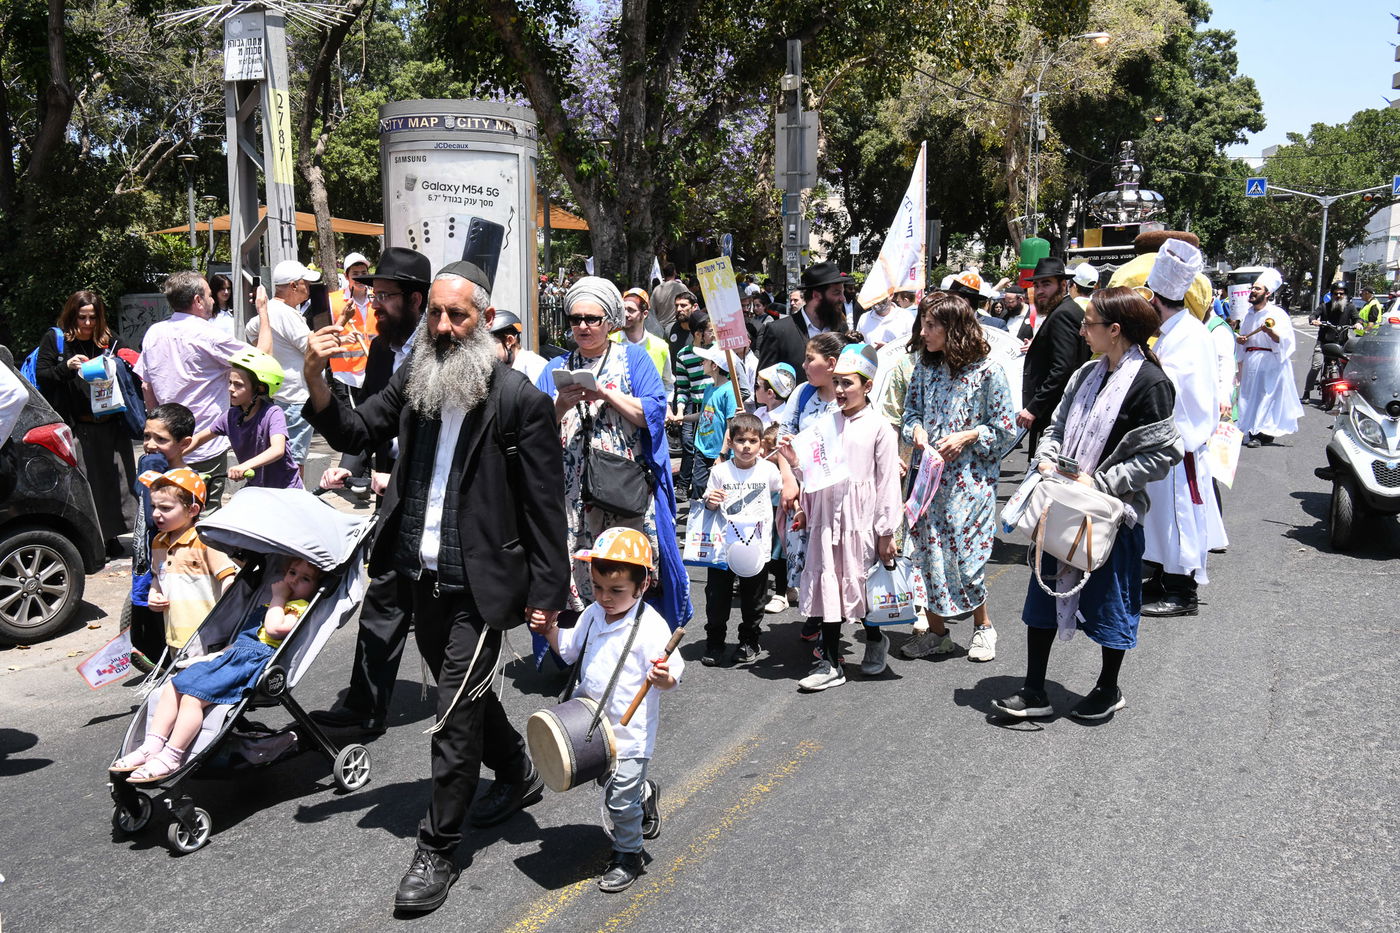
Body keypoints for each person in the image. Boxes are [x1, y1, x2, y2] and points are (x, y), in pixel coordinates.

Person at [303, 260, 571, 914]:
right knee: (466, 694)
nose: (445, 326)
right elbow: (357, 429)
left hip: (479, 586)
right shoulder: (416, 381)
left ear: (485, 323)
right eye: (436, 314)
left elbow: (544, 509)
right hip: (419, 576)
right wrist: (313, 377)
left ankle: (438, 847)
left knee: (451, 715)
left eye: (460, 315)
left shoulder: (518, 402)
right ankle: (515, 769)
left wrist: (547, 594)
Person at [994, 287, 1182, 721]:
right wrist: (1046, 458)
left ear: (1115, 331)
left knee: (1110, 601)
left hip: (1109, 514)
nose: (1083, 329)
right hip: (1061, 505)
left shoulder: (1152, 383)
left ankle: (1108, 687)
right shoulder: (1085, 374)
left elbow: (1163, 452)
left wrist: (1102, 482)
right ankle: (1034, 689)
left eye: (1089, 322)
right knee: (1041, 594)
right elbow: (1056, 426)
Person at [311, 247, 430, 736]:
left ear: (416, 300)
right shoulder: (382, 349)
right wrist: (349, 465)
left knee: (446, 634)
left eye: (385, 296)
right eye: (372, 293)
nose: (373, 304)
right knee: (384, 598)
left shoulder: (443, 353)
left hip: (439, 507)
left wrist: (401, 470)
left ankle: (506, 757)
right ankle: (364, 707)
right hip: (396, 499)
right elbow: (372, 422)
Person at [529, 528, 682, 893]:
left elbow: (673, 672)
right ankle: (644, 795)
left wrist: (663, 678)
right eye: (597, 587)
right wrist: (550, 630)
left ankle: (628, 854)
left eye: (616, 591)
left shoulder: (651, 626)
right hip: (593, 726)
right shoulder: (594, 614)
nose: (604, 598)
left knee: (616, 798)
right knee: (610, 781)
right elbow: (567, 651)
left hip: (631, 734)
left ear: (641, 586)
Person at [537, 277, 690, 633]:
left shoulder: (633, 358)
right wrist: (561, 405)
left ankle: (630, 641)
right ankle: (580, 648)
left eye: (591, 318)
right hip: (572, 490)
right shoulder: (554, 367)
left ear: (609, 322)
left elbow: (652, 413)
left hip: (623, 483)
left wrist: (607, 395)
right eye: (575, 319)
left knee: (625, 563)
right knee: (578, 565)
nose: (583, 326)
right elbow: (535, 426)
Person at [111, 558, 321, 782]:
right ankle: (152, 744)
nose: (294, 580)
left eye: (305, 579)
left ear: (316, 588)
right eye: (292, 572)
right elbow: (243, 639)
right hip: (233, 657)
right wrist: (217, 655)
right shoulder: (272, 605)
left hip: (250, 665)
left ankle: (172, 755)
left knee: (193, 698)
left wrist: (278, 597)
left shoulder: (298, 607)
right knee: (174, 685)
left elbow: (275, 629)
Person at [899, 292, 1017, 661]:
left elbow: (1005, 429)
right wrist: (916, 432)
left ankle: (983, 627)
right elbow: (910, 414)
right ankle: (936, 632)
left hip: (970, 483)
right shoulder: (924, 367)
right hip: (929, 481)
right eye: (923, 323)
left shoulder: (988, 371)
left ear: (954, 328)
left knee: (967, 559)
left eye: (932, 325)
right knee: (927, 555)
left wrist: (968, 435)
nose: (924, 331)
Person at [778, 343, 902, 691]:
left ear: (867, 386)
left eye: (848, 383)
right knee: (829, 583)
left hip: (860, 519)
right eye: (837, 383)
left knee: (861, 584)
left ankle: (875, 639)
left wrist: (886, 531)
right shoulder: (824, 424)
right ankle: (830, 662)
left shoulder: (880, 428)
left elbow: (887, 481)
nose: (841, 390)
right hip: (825, 519)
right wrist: (796, 462)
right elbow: (813, 471)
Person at [1139, 240, 1227, 617]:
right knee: (1161, 520)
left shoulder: (1189, 335)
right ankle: (1161, 578)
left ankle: (1181, 592)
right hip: (1167, 442)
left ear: (1157, 301)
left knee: (1179, 518)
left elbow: (1170, 385)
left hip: (1181, 444)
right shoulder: (1177, 330)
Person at [140, 270, 259, 508]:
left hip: (166, 445)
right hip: (205, 445)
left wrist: (157, 430)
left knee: (169, 509)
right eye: (208, 294)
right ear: (197, 300)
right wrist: (264, 314)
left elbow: (146, 385)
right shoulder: (209, 335)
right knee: (204, 510)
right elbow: (260, 361)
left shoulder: (154, 333)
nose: (213, 299)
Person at [35, 290, 137, 552]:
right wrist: (66, 367)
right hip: (79, 425)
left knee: (119, 483)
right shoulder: (56, 340)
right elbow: (42, 377)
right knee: (89, 484)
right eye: (82, 318)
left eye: (93, 317)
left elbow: (130, 360)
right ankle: (95, 539)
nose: (88, 324)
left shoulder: (107, 339)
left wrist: (117, 362)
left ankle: (113, 536)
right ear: (72, 316)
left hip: (111, 422)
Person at [699, 412, 781, 666]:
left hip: (756, 548)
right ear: (731, 442)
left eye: (753, 441)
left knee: (753, 599)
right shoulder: (721, 471)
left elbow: (784, 494)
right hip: (724, 548)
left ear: (761, 444)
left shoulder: (768, 470)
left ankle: (749, 640)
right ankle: (715, 641)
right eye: (740, 440)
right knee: (717, 598)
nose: (746, 446)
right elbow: (708, 504)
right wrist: (710, 502)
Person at [128, 403, 195, 673]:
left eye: (161, 439)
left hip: (169, 563)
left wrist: (154, 469)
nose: (150, 445)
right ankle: (154, 658)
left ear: (184, 444)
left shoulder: (184, 480)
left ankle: (170, 665)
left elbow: (154, 516)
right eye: (146, 437)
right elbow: (140, 494)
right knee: (143, 606)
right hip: (146, 555)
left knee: (165, 615)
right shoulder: (152, 466)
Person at [144, 468, 239, 656]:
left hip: (206, 634)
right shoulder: (158, 542)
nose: (156, 514)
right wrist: (154, 594)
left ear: (193, 510)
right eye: (154, 506)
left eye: (165, 508)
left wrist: (231, 608)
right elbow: (158, 576)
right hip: (175, 633)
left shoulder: (205, 540)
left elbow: (228, 577)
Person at [188, 348, 303, 490]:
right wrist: (171, 453)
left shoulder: (273, 413)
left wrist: (245, 466)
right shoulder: (230, 416)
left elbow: (278, 449)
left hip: (285, 489)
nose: (230, 388)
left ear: (259, 389)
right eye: (229, 382)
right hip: (257, 488)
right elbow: (198, 439)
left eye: (238, 384)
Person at [245, 259, 317, 469]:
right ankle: (294, 499)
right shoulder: (287, 313)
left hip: (280, 394)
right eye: (306, 282)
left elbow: (251, 330)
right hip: (297, 397)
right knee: (294, 461)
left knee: (284, 456)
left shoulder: (269, 310)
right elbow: (311, 347)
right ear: (294, 285)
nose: (309, 287)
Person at [1018, 257, 1090, 454]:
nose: (1040, 291)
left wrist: (1034, 407)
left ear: (1064, 285)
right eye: (1037, 285)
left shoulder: (1063, 314)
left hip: (1055, 413)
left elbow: (1063, 368)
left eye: (1047, 284)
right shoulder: (1062, 311)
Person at [1236, 268, 1304, 448]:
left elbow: (1285, 340)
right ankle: (1250, 429)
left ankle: (1260, 433)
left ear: (1267, 293)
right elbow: (1244, 338)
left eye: (1257, 289)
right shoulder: (1248, 314)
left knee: (1266, 397)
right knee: (1249, 397)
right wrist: (1241, 340)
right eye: (1252, 288)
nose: (1252, 291)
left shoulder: (1277, 314)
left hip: (1269, 361)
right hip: (1251, 360)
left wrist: (1270, 332)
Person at [757, 261, 850, 373]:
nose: (843, 299)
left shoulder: (840, 328)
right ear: (816, 295)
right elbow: (763, 383)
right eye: (836, 293)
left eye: (842, 293)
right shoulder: (779, 331)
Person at [669, 310, 712, 507]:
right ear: (698, 333)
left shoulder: (716, 353)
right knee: (687, 443)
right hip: (692, 405)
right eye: (709, 331)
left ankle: (701, 485)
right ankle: (683, 485)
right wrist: (679, 411)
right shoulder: (683, 355)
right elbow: (683, 387)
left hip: (712, 406)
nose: (712, 335)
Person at [689, 343, 741, 499]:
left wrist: (722, 454)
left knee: (719, 492)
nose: (701, 363)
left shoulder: (730, 391)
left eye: (704, 360)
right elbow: (704, 414)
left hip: (719, 452)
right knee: (698, 487)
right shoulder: (708, 388)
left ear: (715, 365)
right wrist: (681, 418)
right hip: (702, 448)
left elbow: (731, 425)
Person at [325, 252, 376, 391]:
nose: (360, 277)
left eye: (364, 272)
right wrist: (343, 339)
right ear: (347, 276)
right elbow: (324, 337)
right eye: (355, 273)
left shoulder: (378, 299)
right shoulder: (332, 300)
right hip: (345, 375)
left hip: (374, 371)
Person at [611, 288, 674, 396]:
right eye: (623, 309)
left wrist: (666, 405)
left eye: (631, 310)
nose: (625, 314)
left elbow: (667, 383)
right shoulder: (610, 341)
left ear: (644, 314)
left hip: (650, 410)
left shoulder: (660, 346)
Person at [1302, 283, 1357, 404]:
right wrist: (1314, 320)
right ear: (1331, 294)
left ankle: (1348, 393)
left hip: (1342, 344)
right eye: (1336, 293)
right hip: (1323, 342)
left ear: (1345, 295)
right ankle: (1307, 391)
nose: (1338, 295)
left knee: (1348, 367)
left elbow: (1357, 318)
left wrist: (1358, 323)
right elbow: (1313, 315)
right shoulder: (1324, 306)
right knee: (1316, 365)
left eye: (1341, 293)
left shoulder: (1350, 307)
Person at [490, 310, 548, 383]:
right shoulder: (497, 370)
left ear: (509, 341)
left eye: (490, 344)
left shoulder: (535, 366)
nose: (486, 352)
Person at [752, 362, 797, 427]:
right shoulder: (759, 412)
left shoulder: (785, 421)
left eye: (757, 386)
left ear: (769, 393)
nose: (754, 389)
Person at [649, 262, 687, 334]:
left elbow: (651, 310)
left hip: (660, 328)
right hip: (676, 328)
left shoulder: (657, 289)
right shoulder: (681, 287)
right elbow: (693, 301)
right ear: (674, 272)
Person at [208, 273, 237, 337]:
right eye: (222, 289)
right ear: (215, 290)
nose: (226, 292)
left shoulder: (236, 310)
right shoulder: (208, 313)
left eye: (228, 288)